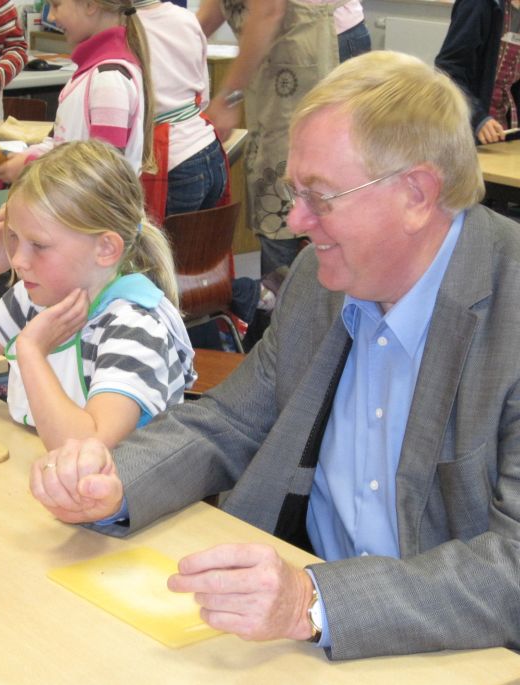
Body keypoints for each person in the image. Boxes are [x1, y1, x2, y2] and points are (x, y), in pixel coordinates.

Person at [29, 51, 520, 659]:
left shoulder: (508, 309)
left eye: (320, 196)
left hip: (447, 651)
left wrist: (314, 602)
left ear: (417, 193)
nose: (294, 219)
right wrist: (115, 483)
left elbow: (512, 569)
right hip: (300, 634)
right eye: (295, 192)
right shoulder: (322, 278)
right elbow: (230, 421)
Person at [0, 140, 195, 451]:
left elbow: (87, 448)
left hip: (117, 493)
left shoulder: (135, 328)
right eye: (15, 238)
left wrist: (31, 351)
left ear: (105, 249)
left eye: (39, 245)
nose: (18, 260)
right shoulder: (40, 297)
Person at [197, 0, 370, 275]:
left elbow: (268, 9)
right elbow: (213, 10)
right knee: (276, 177)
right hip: (282, 49)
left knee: (289, 187)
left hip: (313, 46)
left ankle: (291, 306)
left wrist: (229, 97)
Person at [0, 0, 154, 189]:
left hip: (92, 227)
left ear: (90, 5)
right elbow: (58, 148)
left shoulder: (108, 80)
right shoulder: (89, 74)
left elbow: (102, 177)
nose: (51, 17)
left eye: (56, 5)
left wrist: (28, 167)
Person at [134, 0, 228, 223]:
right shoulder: (186, 18)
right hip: (209, 149)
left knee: (162, 253)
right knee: (201, 249)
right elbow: (202, 95)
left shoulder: (126, 27)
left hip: (172, 160)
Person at [435, 0, 520, 145]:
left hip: (502, 128)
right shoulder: (478, 4)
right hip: (465, 126)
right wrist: (478, 117)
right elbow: (448, 71)